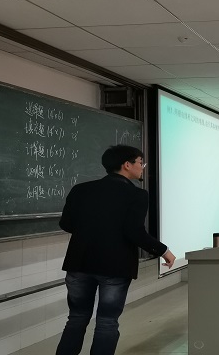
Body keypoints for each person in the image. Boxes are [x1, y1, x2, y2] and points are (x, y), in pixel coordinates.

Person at [56, 145, 176, 355]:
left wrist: (91, 230)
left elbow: (66, 224)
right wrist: (164, 250)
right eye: (140, 163)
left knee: (76, 318)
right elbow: (134, 232)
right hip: (115, 267)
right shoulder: (136, 195)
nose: (142, 167)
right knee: (107, 321)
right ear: (127, 165)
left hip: (79, 263)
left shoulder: (80, 190)